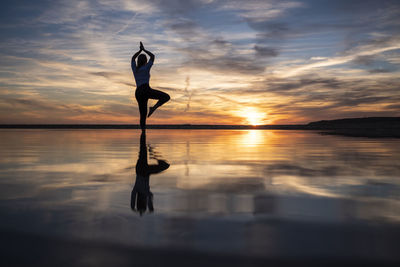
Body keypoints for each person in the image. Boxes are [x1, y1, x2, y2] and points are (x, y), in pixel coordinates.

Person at [131, 42, 170, 131]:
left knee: (143, 114)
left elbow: (133, 58)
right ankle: (154, 107)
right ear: (145, 61)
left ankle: (143, 133)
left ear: (138, 61)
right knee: (166, 97)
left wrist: (139, 51)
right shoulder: (146, 67)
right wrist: (144, 50)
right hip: (145, 89)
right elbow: (152, 56)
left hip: (138, 92)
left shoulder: (134, 69)